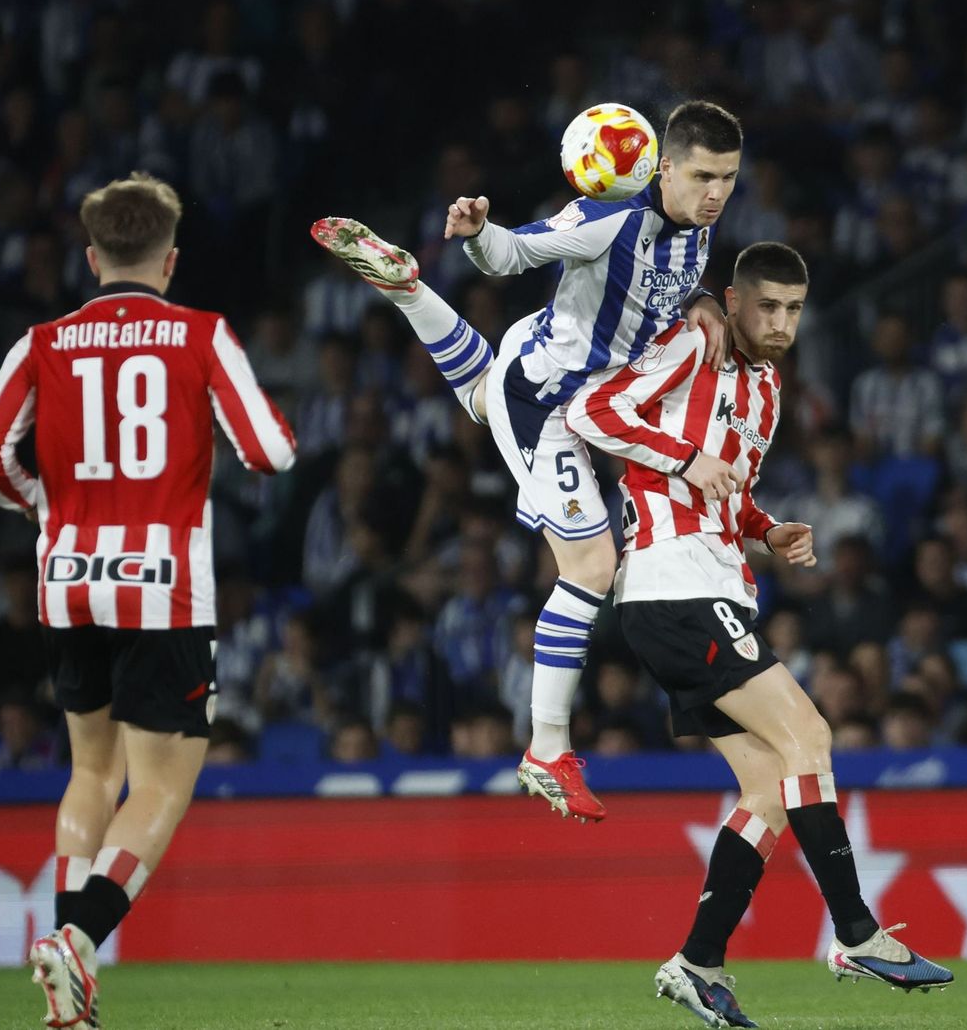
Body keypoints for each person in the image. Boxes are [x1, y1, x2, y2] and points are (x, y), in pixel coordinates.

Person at [310, 100, 742, 822]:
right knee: (591, 569)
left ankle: (408, 290)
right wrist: (481, 233)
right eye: (703, 177)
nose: (717, 193)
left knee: (483, 398)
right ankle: (546, 748)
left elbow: (665, 283)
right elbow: (513, 255)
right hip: (551, 406)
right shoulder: (609, 216)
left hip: (547, 364)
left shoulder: (697, 219)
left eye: (728, 178)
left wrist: (700, 298)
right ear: (662, 168)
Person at [564, 242, 952, 1026]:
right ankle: (857, 933)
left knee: (771, 788)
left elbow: (727, 490)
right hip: (674, 583)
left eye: (794, 310)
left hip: (709, 587)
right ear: (734, 302)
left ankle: (697, 962)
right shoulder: (693, 342)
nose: (781, 324)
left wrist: (765, 529)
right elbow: (592, 412)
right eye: (767, 306)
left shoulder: (767, 388)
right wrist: (686, 456)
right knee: (811, 733)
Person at [0, 172, 296, 1029]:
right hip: (162, 587)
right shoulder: (199, 335)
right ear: (170, 260)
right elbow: (268, 452)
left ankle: (70, 969)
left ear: (91, 257)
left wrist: (40, 506)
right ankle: (79, 941)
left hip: (68, 580)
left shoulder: (44, 341)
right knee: (160, 787)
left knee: (91, 772)